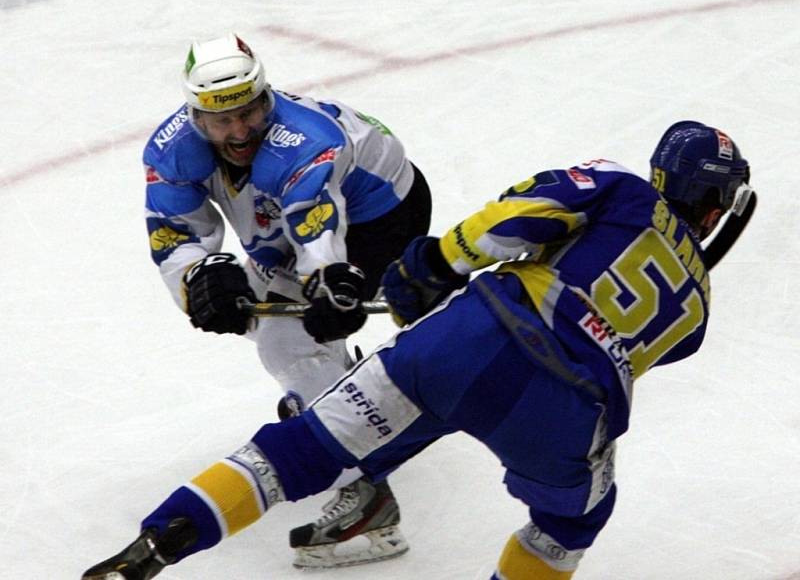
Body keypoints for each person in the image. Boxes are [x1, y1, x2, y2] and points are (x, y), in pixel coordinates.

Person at [84, 121, 753, 580]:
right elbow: (623, 338)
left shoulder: (622, 186)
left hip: (472, 340)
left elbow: (520, 218)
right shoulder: (699, 310)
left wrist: (435, 261)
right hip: (571, 409)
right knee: (573, 523)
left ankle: (156, 541)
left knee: (303, 448)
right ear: (718, 207)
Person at [143, 32, 432, 566]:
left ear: (265, 97)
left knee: (288, 343)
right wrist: (199, 279)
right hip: (293, 214)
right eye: (221, 121)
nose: (238, 131)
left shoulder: (300, 141)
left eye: (249, 113)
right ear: (195, 118)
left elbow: (313, 221)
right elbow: (175, 232)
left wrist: (327, 280)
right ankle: (343, 395)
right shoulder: (172, 150)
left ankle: (371, 503)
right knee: (269, 318)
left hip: (381, 216)